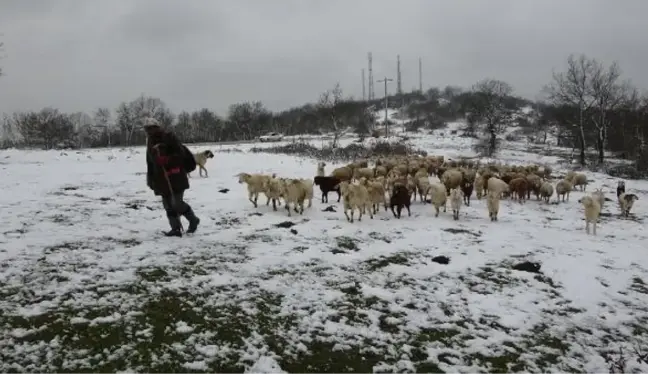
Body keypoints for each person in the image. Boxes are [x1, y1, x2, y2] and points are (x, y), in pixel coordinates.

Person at [144, 118, 200, 237]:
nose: (149, 131)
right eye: (147, 129)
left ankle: (193, 220)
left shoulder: (169, 137)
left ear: (157, 127)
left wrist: (167, 160)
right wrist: (150, 178)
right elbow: (150, 162)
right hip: (160, 178)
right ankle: (175, 229)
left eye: (152, 128)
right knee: (168, 206)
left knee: (176, 204)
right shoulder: (149, 141)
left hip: (176, 176)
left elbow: (181, 155)